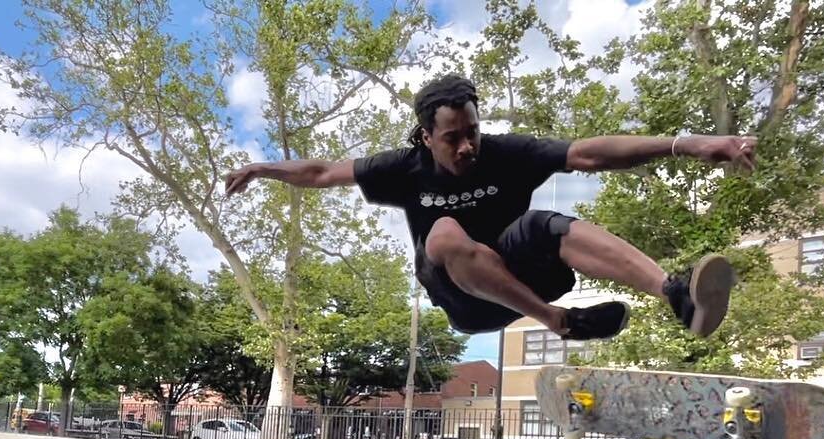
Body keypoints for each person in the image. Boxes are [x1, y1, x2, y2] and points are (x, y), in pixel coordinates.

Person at [223, 74, 757, 342]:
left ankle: (675, 294)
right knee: (443, 233)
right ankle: (560, 323)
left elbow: (590, 153)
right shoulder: (402, 168)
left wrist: (690, 144)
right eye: (453, 138)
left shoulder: (507, 152)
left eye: (472, 133)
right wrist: (263, 168)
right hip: (466, 301)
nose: (466, 147)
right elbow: (321, 173)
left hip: (521, 279)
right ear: (426, 137)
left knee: (545, 224)